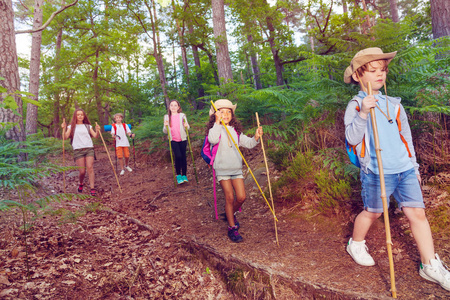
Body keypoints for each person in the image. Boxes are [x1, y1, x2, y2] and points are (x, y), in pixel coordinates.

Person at [344, 47, 450, 291]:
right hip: (376, 170)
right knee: (373, 212)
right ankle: (356, 242)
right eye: (373, 71)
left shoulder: (394, 104)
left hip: (404, 168)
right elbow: (351, 137)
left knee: (418, 214)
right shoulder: (356, 104)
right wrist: (363, 113)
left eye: (382, 70)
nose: (380, 75)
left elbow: (406, 138)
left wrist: (413, 164)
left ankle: (429, 265)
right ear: (359, 76)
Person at [206, 99, 263, 243]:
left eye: (228, 112)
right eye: (222, 112)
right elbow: (212, 140)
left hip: (236, 169)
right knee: (229, 198)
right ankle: (232, 227)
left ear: (232, 115)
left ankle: (229, 212)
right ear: (216, 115)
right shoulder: (215, 129)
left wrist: (256, 136)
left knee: (241, 197)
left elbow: (249, 144)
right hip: (222, 169)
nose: (225, 114)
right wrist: (217, 124)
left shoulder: (235, 131)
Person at [62, 109, 101, 196]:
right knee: (82, 171)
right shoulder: (70, 127)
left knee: (90, 167)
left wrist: (97, 130)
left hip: (89, 148)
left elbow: (95, 136)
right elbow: (65, 137)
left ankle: (92, 188)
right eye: (78, 115)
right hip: (78, 150)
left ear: (84, 116)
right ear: (75, 116)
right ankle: (81, 183)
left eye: (82, 115)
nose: (80, 116)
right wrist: (63, 129)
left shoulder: (88, 126)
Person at [163, 100, 190, 184]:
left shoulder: (182, 116)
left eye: (175, 105)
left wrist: (186, 126)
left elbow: (187, 127)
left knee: (183, 157)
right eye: (172, 105)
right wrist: (165, 125)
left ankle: (184, 175)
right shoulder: (167, 117)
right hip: (173, 140)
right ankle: (178, 175)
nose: (173, 107)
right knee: (177, 156)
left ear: (178, 107)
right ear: (169, 107)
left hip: (183, 139)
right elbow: (165, 131)